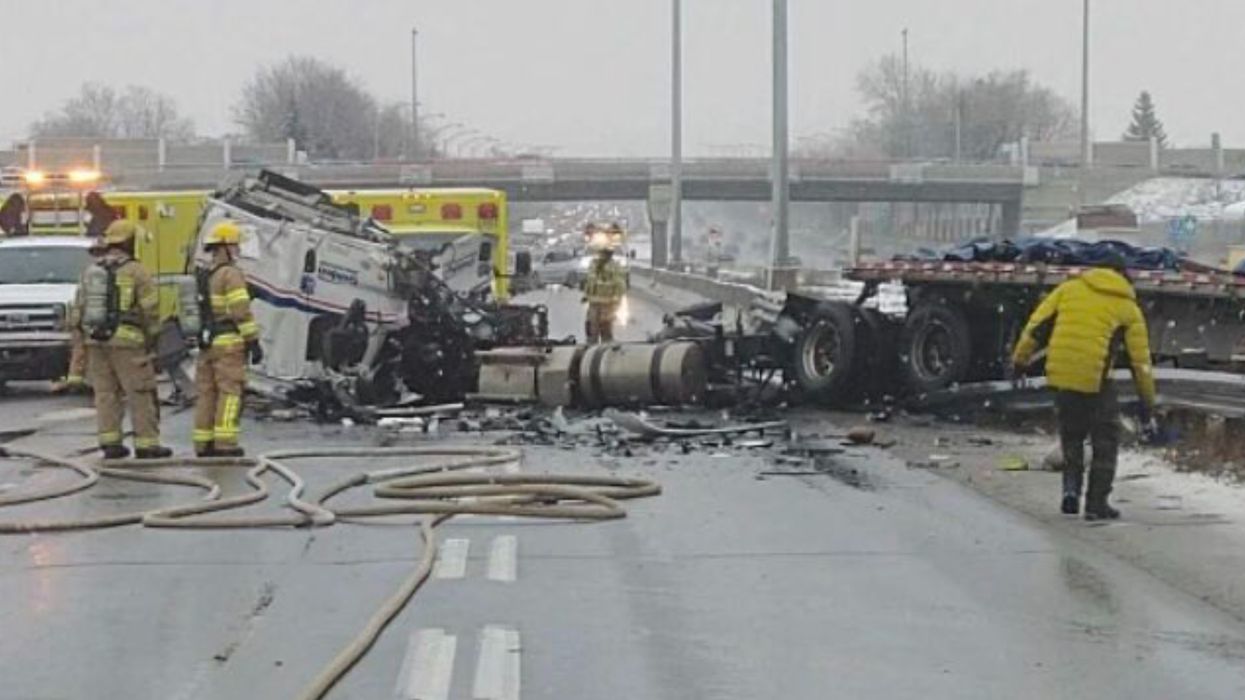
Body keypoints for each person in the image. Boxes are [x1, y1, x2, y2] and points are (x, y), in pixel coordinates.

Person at [1012, 254, 1157, 521]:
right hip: (1096, 381)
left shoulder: (1068, 289)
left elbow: (1036, 328)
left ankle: (1070, 490)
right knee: (1105, 441)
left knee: (1072, 436)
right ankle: (1096, 503)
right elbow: (1141, 363)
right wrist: (1147, 402)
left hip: (1062, 376)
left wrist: (1019, 362)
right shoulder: (1127, 307)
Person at [77, 221, 172, 460]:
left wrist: (82, 340)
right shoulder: (137, 271)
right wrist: (153, 338)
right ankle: (147, 444)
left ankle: (110, 443)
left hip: (96, 341)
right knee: (140, 392)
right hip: (129, 344)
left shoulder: (92, 271)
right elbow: (150, 309)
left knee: (106, 394)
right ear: (130, 242)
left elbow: (78, 309)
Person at [192, 221, 261, 458]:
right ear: (225, 247)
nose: (238, 250)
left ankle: (203, 443)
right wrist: (253, 340)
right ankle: (225, 443)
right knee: (230, 393)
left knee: (206, 394)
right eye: (235, 245)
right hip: (229, 343)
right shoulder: (231, 274)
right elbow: (241, 311)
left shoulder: (205, 275)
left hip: (207, 344)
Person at [53, 238, 106, 394]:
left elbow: (81, 298)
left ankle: (81, 381)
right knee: (84, 351)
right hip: (93, 320)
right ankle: (82, 381)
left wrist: (76, 321)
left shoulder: (91, 272)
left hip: (90, 320)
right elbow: (81, 298)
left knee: (84, 351)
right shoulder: (95, 272)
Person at [582, 246, 627, 344]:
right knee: (592, 328)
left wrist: (616, 301)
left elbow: (619, 285)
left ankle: (603, 347)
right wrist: (586, 295)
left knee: (605, 328)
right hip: (595, 303)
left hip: (607, 303)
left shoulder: (613, 267)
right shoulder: (594, 264)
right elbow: (589, 282)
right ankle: (593, 345)